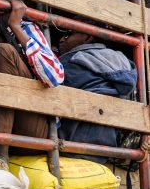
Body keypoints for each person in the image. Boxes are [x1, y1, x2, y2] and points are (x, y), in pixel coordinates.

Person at [0, 0, 63, 169]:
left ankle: (1, 153)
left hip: (31, 125)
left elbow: (54, 76)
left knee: (4, 51)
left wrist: (16, 27)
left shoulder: (26, 27)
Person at [57, 25, 137, 163]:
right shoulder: (126, 64)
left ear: (88, 37)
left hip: (73, 145)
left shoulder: (70, 62)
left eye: (68, 34)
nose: (61, 40)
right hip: (108, 148)